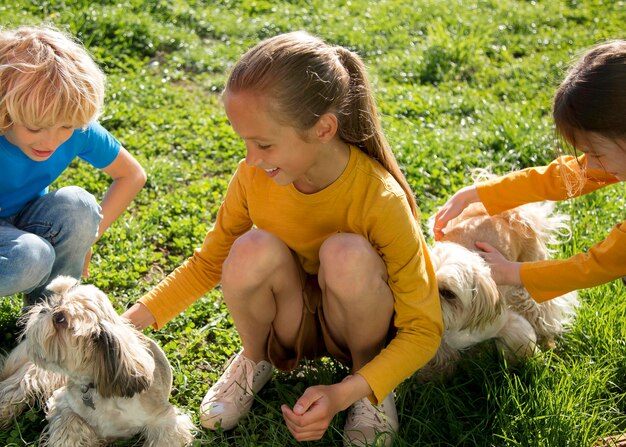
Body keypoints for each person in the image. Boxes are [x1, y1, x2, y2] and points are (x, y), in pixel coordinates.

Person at [124, 31, 442, 446]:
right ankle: (255, 360)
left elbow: (424, 329)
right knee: (251, 248)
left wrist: (342, 394)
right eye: (245, 142)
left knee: (346, 252)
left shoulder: (379, 197)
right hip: (290, 326)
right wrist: (119, 328)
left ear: (325, 128)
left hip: (356, 329)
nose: (251, 159)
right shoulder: (254, 177)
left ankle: (370, 390)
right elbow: (208, 264)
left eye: (265, 144)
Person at [432, 40, 626, 445]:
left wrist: (513, 272)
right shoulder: (612, 158)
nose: (588, 167)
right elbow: (557, 178)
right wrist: (479, 194)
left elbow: (598, 264)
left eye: (594, 153)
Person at [0, 25, 146, 304]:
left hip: (21, 220)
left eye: (65, 126)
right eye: (34, 128)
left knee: (78, 205)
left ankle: (49, 322)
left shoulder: (76, 126)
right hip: (19, 249)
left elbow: (132, 175)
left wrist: (88, 239)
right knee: (32, 256)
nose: (50, 141)